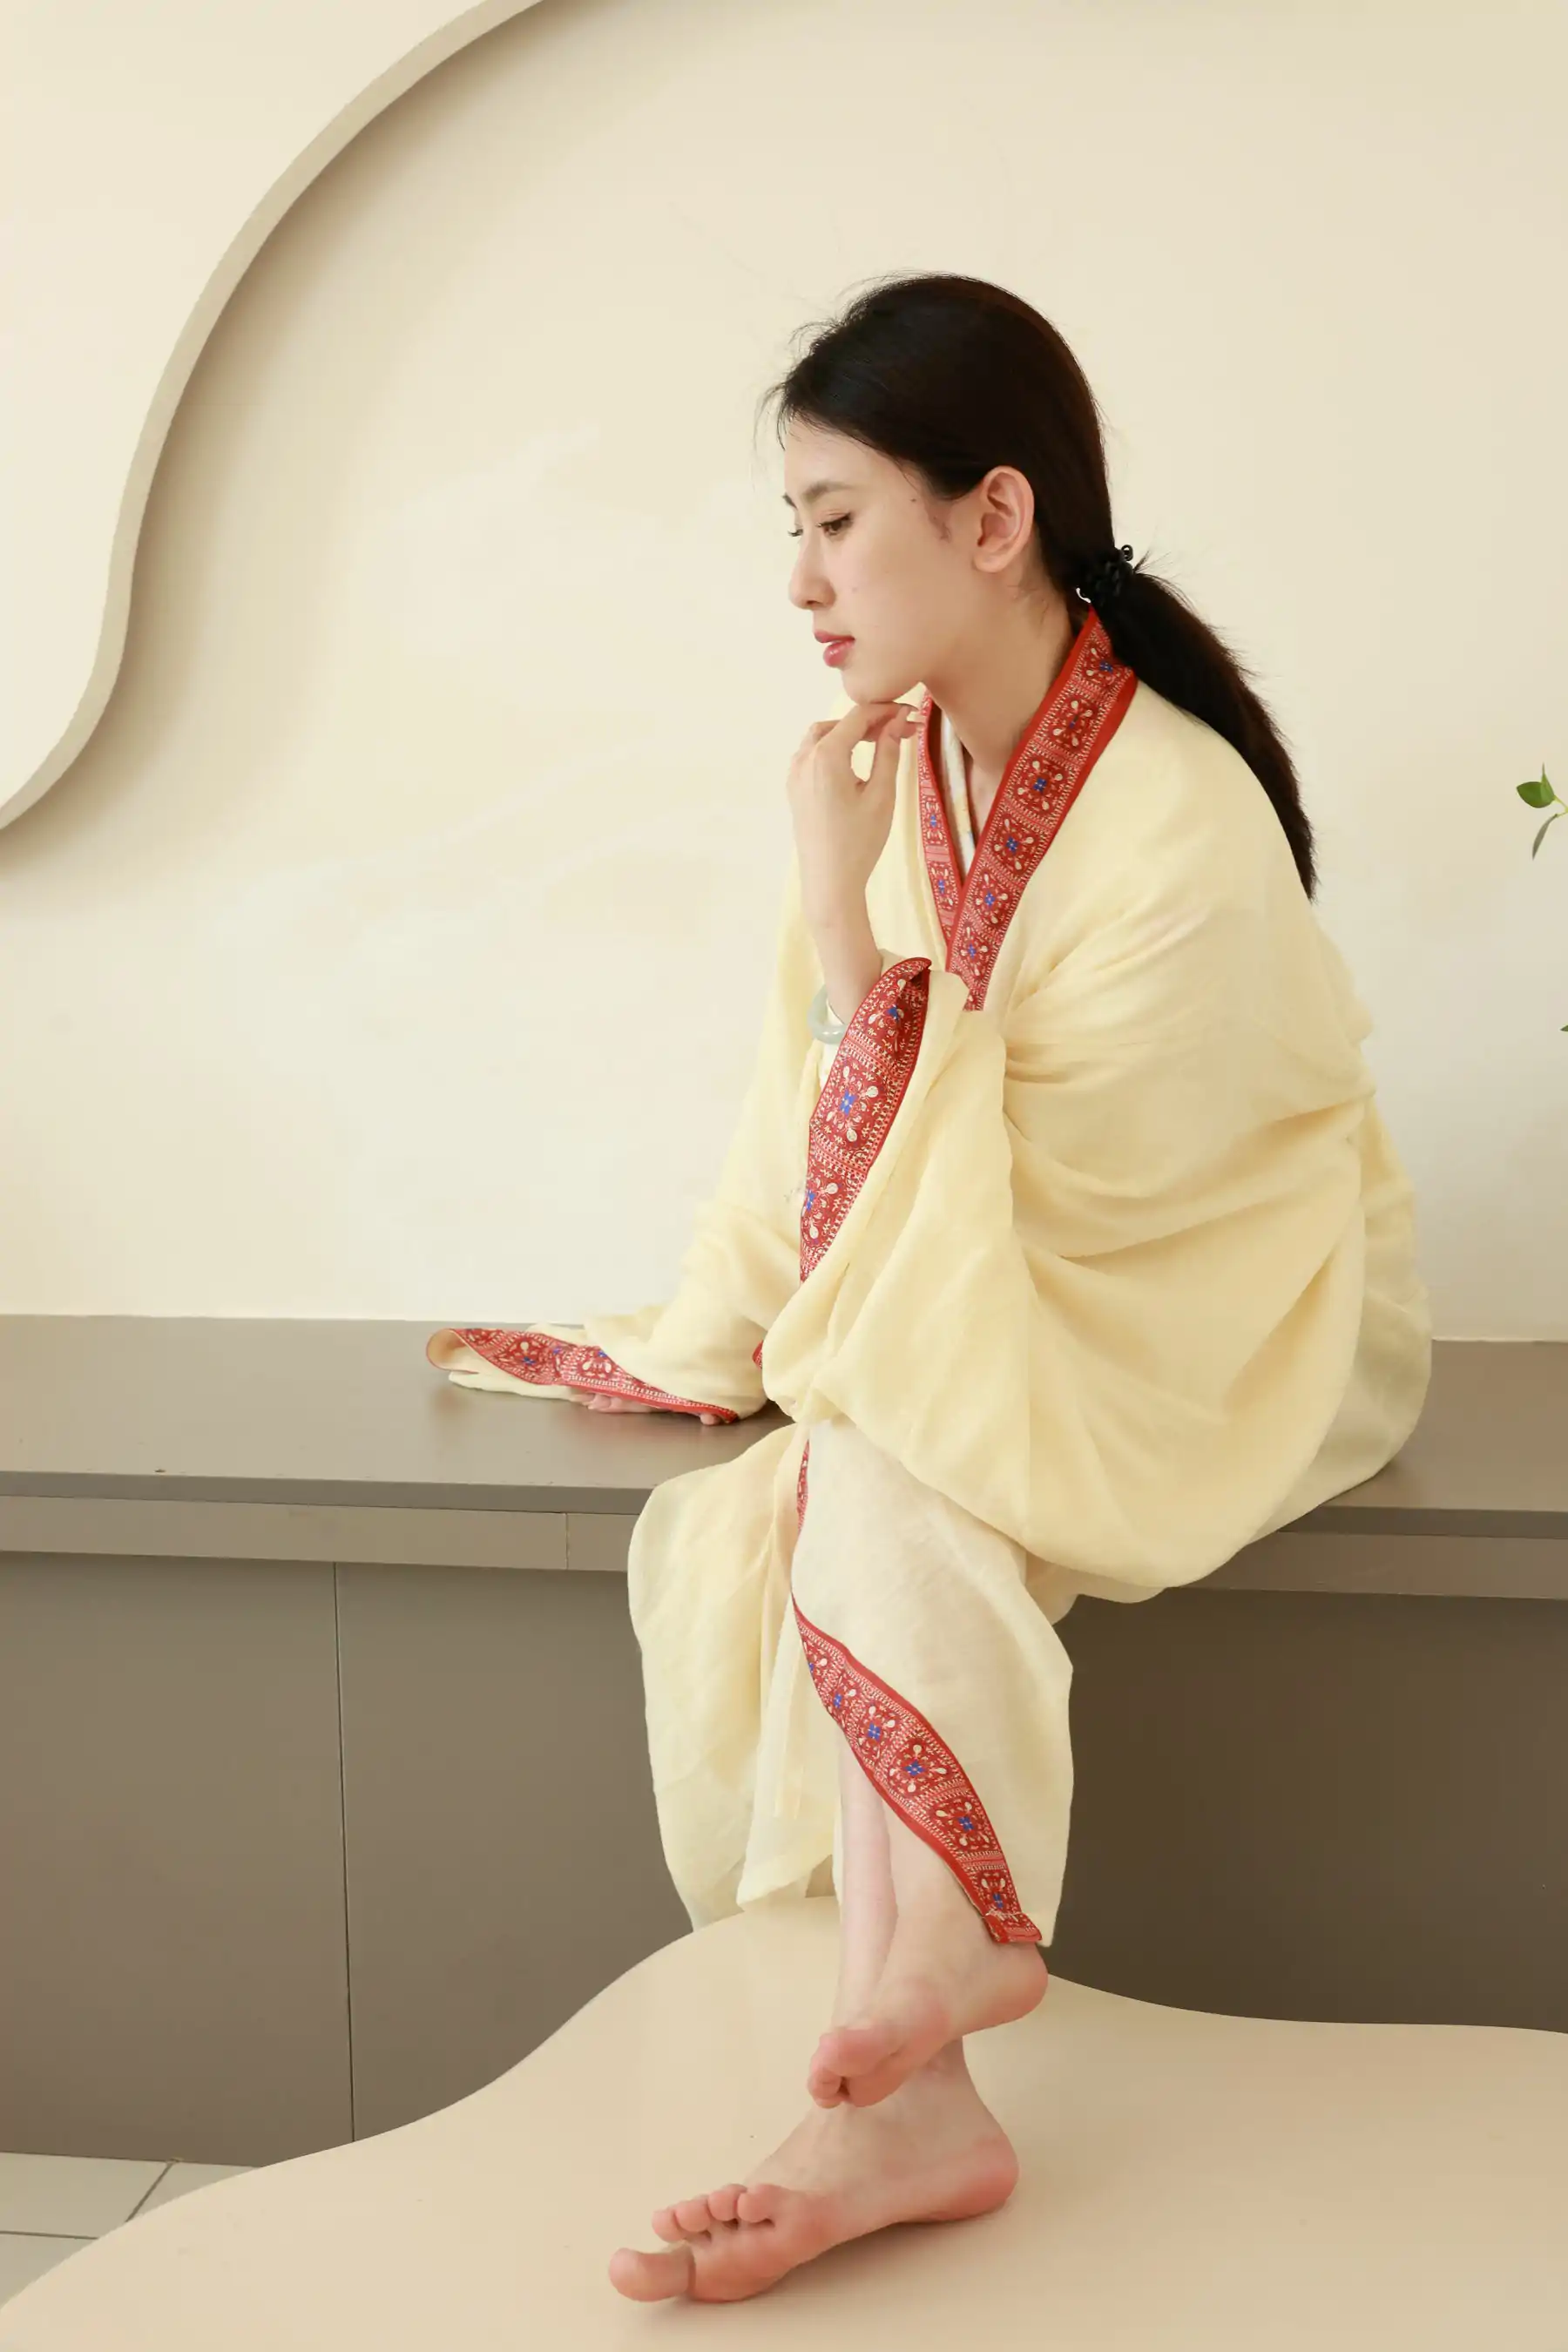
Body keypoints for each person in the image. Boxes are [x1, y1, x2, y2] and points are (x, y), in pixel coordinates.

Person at [426, 272, 1430, 2303]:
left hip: (1216, 1323)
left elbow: (1114, 1209)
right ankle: (910, 2075)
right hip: (994, 1298)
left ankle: (919, 2029)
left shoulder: (1178, 821)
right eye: (790, 527)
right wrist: (751, 1297)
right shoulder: (907, 781)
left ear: (994, 517)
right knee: (866, 1437)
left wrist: (835, 920)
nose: (801, 579)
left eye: (836, 518)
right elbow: (824, 1163)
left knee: (878, 1420)